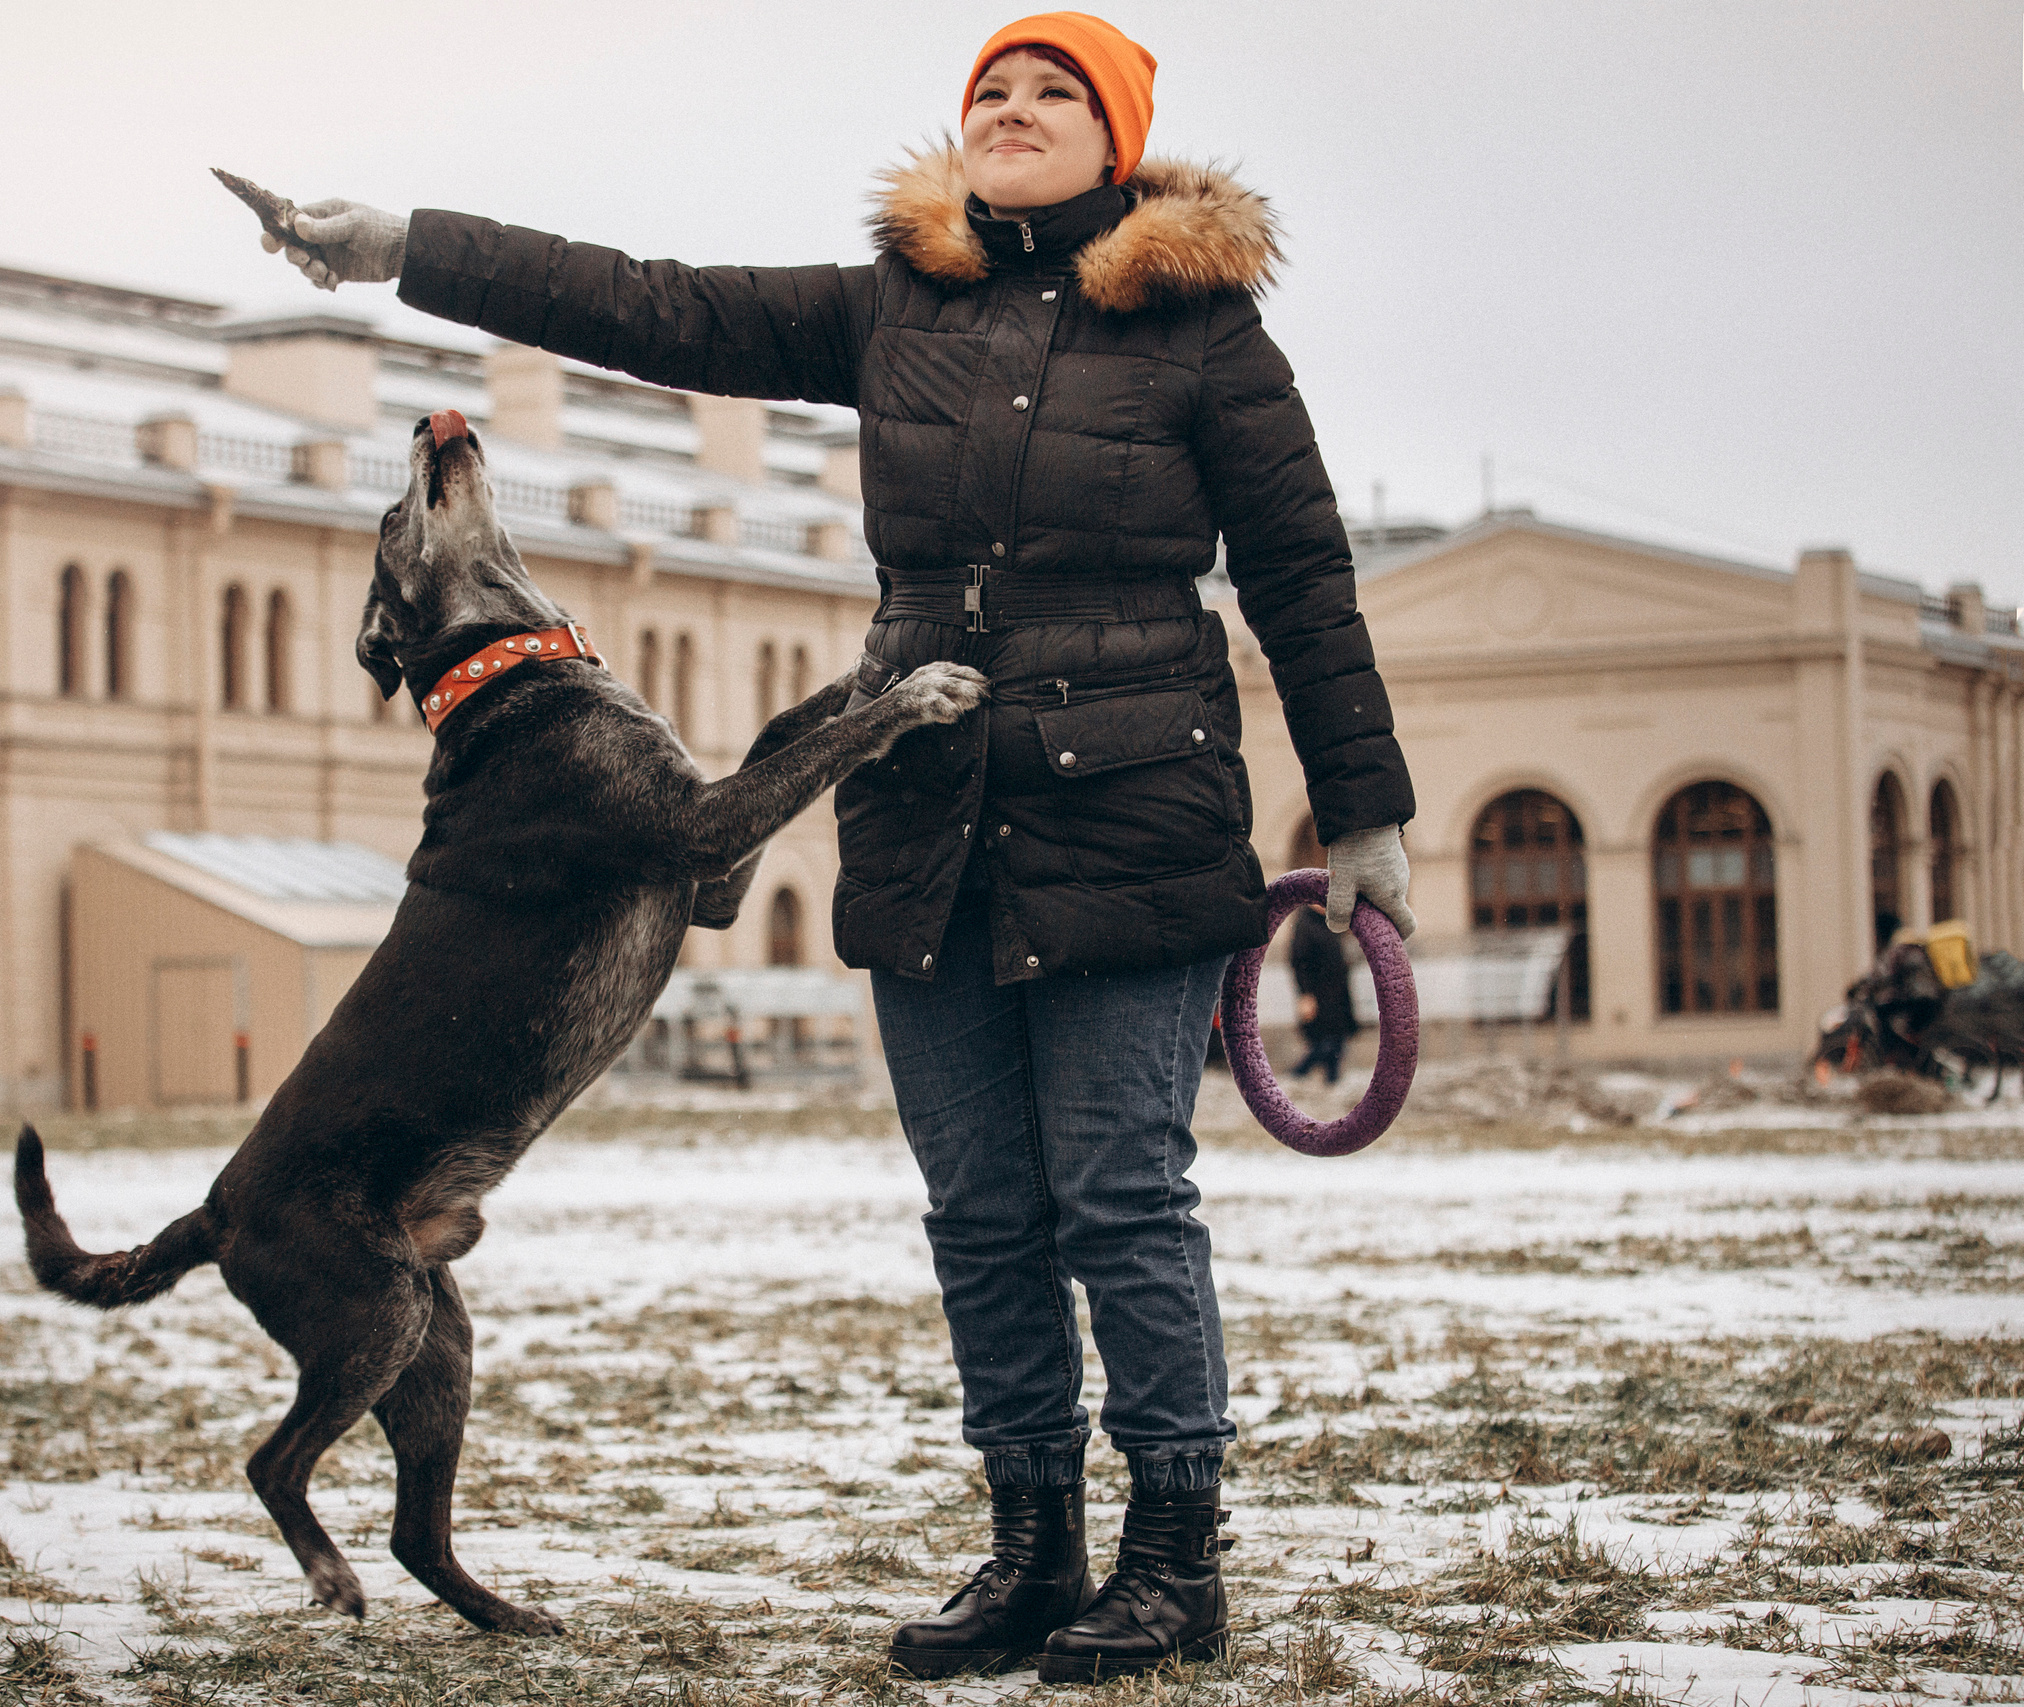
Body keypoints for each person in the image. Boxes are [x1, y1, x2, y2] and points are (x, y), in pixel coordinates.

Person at [259, 11, 1416, 1682]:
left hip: (1133, 811)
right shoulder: (893, 308)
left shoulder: (1205, 334)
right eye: (990, 90)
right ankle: (1031, 1550)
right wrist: (410, 249)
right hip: (929, 823)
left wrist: (1363, 804)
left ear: (1123, 142)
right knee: (984, 1214)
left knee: (1122, 1199)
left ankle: (1174, 1564)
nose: (1012, 109)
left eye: (1052, 92)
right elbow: (646, 304)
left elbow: (1305, 573)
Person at [1289, 905, 1358, 1085]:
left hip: (1338, 992)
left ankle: (1332, 1080)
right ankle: (1298, 1073)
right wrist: (1305, 994)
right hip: (1319, 993)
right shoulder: (1306, 923)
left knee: (1337, 1039)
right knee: (1326, 1042)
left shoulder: (1329, 921)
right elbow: (1299, 961)